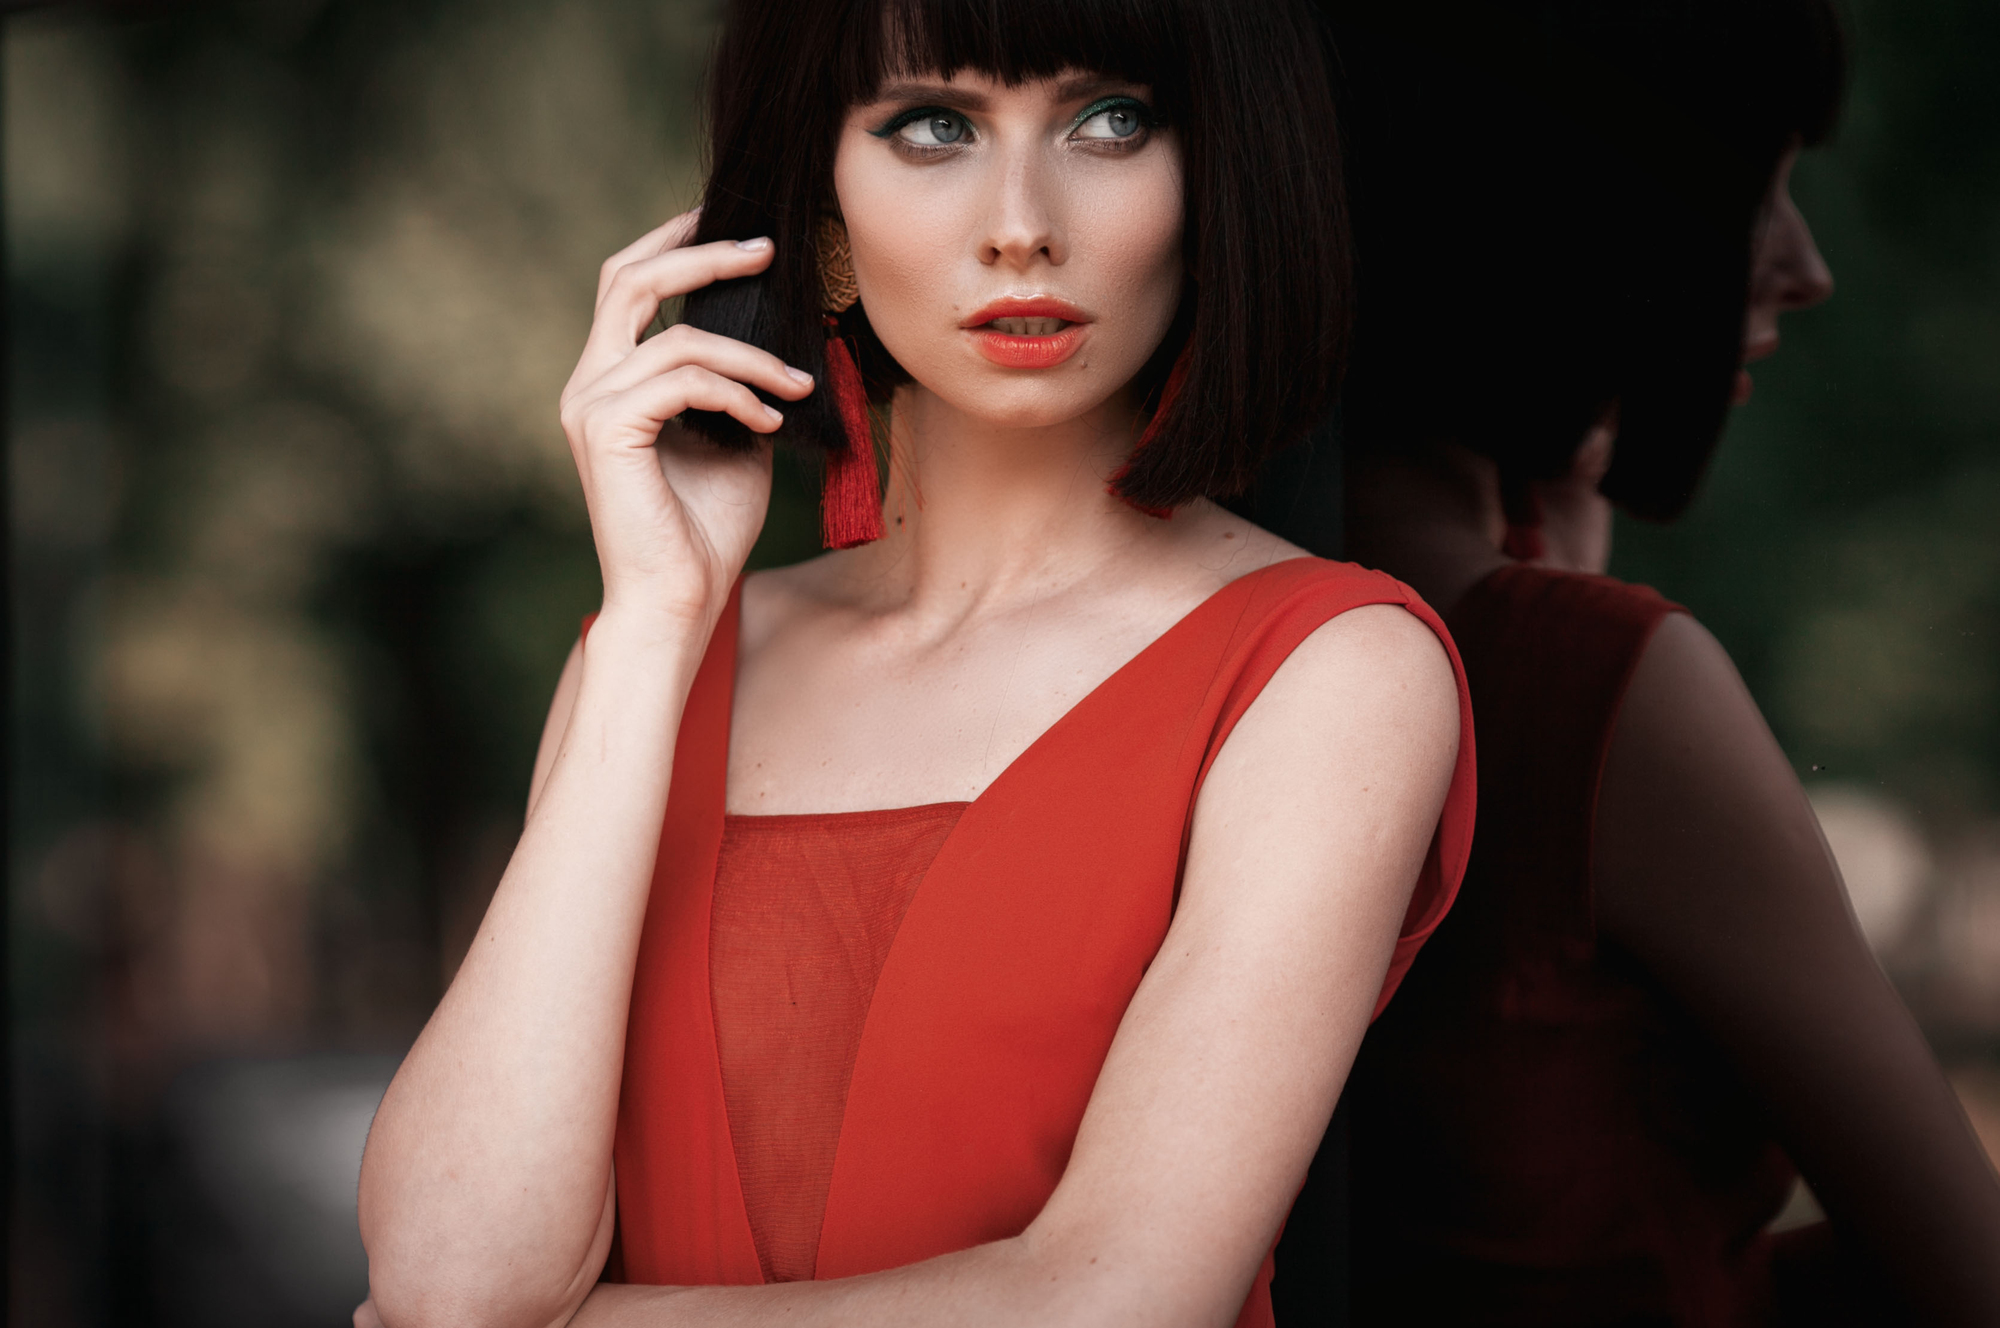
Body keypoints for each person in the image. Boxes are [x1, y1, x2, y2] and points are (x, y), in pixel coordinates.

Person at [352, 2, 1476, 1326]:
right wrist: (656, 619)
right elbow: (445, 1280)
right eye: (933, 125)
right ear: (819, 205)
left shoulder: (1331, 672)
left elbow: (1115, 1302)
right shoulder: (655, 664)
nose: (1019, 221)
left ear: (1217, 174)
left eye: (1111, 119)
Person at [1324, 2, 2000, 1324]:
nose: (1804, 267)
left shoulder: (1254, 580)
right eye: (1754, 190)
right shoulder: (1588, 688)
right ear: (1594, 209)